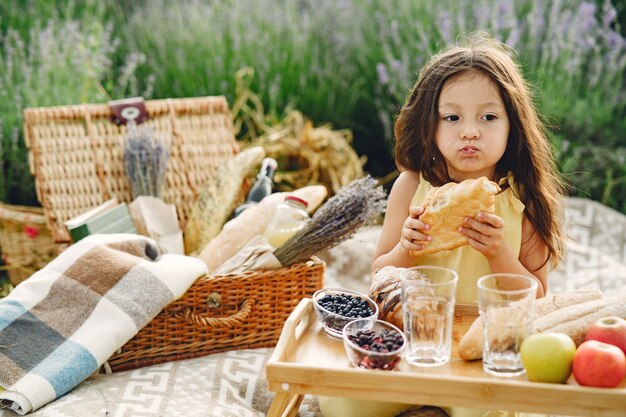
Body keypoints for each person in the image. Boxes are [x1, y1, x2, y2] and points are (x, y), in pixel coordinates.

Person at [319, 32, 567, 417]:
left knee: (483, 412)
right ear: (430, 126)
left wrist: (499, 253)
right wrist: (406, 249)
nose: (470, 131)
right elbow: (379, 276)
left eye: (488, 117)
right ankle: (423, 403)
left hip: (480, 355)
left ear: (512, 125)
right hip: (413, 346)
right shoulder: (412, 187)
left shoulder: (524, 200)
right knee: (340, 405)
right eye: (452, 117)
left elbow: (538, 301)